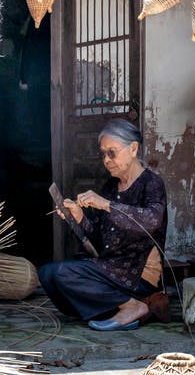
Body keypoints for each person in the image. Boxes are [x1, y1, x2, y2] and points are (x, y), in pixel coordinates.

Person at [38, 119, 168, 331]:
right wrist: (78, 217)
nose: (106, 160)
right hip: (111, 268)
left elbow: (153, 220)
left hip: (136, 276)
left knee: (62, 273)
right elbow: (99, 238)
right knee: (47, 273)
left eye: (112, 152)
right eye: (103, 154)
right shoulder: (110, 186)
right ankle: (115, 306)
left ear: (133, 148)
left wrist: (107, 205)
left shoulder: (151, 183)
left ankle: (133, 306)